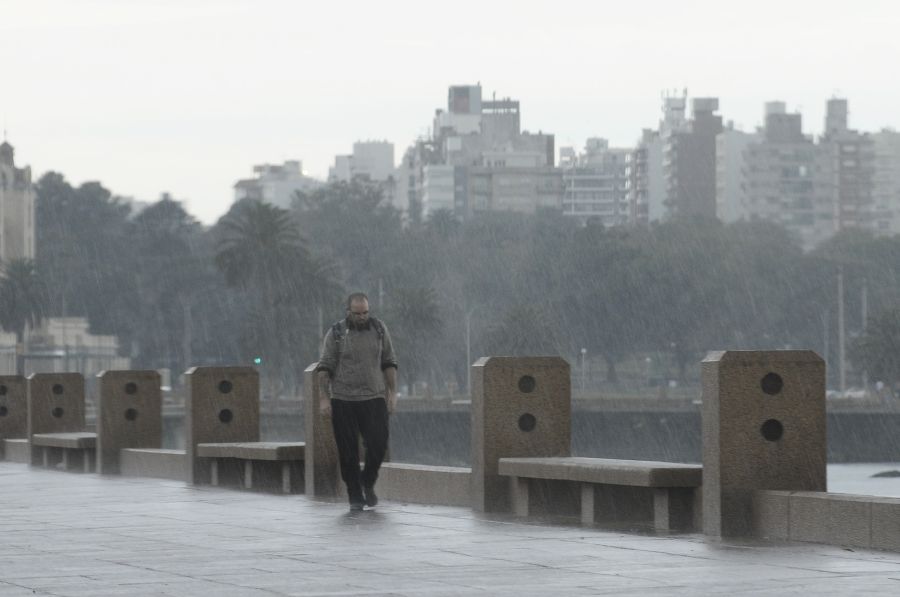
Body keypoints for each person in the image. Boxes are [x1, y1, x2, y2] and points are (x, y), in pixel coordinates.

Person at [316, 292, 398, 511]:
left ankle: (367, 482)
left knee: (379, 444)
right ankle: (355, 495)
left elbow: (389, 361)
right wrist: (324, 398)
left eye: (365, 312)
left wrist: (392, 393)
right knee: (348, 451)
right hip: (343, 400)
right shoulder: (336, 333)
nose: (362, 317)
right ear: (348, 312)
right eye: (357, 313)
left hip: (374, 398)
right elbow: (324, 368)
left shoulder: (379, 330)